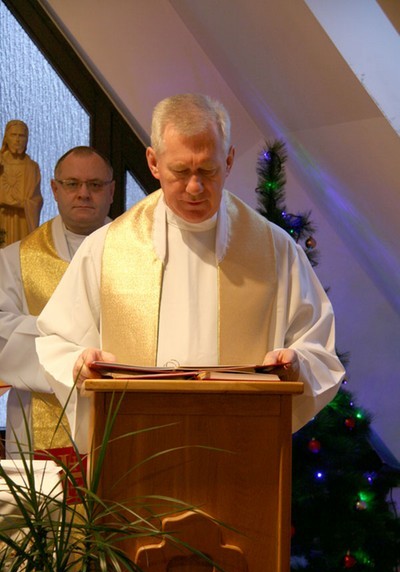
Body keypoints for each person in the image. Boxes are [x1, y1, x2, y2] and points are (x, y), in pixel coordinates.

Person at [36, 93, 345, 452]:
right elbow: (56, 339)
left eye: (208, 171)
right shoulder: (106, 248)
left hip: (241, 452)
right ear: (153, 162)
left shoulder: (275, 251)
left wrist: (297, 365)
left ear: (228, 161)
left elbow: (319, 350)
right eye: (181, 171)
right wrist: (80, 365)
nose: (195, 187)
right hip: (134, 452)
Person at [0, 146, 114, 456]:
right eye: (72, 183)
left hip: (115, 409)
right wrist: (69, 352)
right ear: (54, 189)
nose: (83, 193)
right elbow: (2, 334)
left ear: (111, 191)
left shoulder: (138, 255)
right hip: (36, 415)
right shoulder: (15, 260)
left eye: (95, 184)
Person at [0, 120, 43, 246]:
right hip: (2, 217)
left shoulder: (32, 167)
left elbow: (36, 200)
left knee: (20, 252)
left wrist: (22, 203)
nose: (17, 140)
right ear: (6, 138)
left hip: (23, 220)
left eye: (21, 136)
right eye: (13, 135)